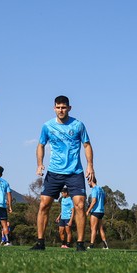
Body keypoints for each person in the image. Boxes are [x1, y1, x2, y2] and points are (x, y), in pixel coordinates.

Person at [32, 96, 93, 251]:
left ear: (69, 108)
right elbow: (40, 145)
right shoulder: (47, 126)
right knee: (44, 205)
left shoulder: (78, 125)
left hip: (75, 172)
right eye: (58, 107)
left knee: (79, 205)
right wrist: (39, 164)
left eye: (64, 107)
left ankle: (80, 244)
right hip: (54, 172)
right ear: (54, 108)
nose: (61, 110)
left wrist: (90, 166)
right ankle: (40, 243)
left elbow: (86, 145)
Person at [86, 177, 108, 248]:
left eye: (88, 182)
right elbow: (105, 200)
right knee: (100, 228)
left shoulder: (94, 189)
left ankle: (92, 245)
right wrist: (101, 206)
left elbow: (94, 201)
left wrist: (88, 210)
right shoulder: (101, 189)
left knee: (93, 228)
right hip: (101, 211)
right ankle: (105, 245)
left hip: (95, 211)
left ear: (91, 181)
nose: (88, 183)